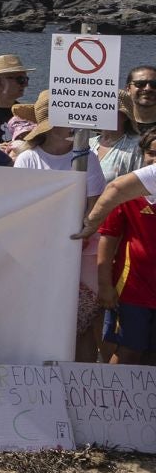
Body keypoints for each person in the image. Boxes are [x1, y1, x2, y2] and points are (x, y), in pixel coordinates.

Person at [13, 106, 105, 360]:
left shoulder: (88, 158)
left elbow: (94, 203)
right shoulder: (27, 159)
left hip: (79, 252)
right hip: (37, 255)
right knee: (38, 321)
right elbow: (22, 206)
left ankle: (78, 387)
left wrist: (80, 233)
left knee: (81, 326)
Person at [96, 130, 156, 365]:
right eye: (151, 153)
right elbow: (107, 240)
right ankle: (108, 401)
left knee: (152, 356)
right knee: (128, 352)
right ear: (142, 155)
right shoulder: (125, 193)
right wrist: (104, 285)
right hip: (132, 290)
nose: (155, 159)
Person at [129, 66, 156, 136]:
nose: (148, 88)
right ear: (128, 89)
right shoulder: (117, 126)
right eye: (140, 84)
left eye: (154, 84)